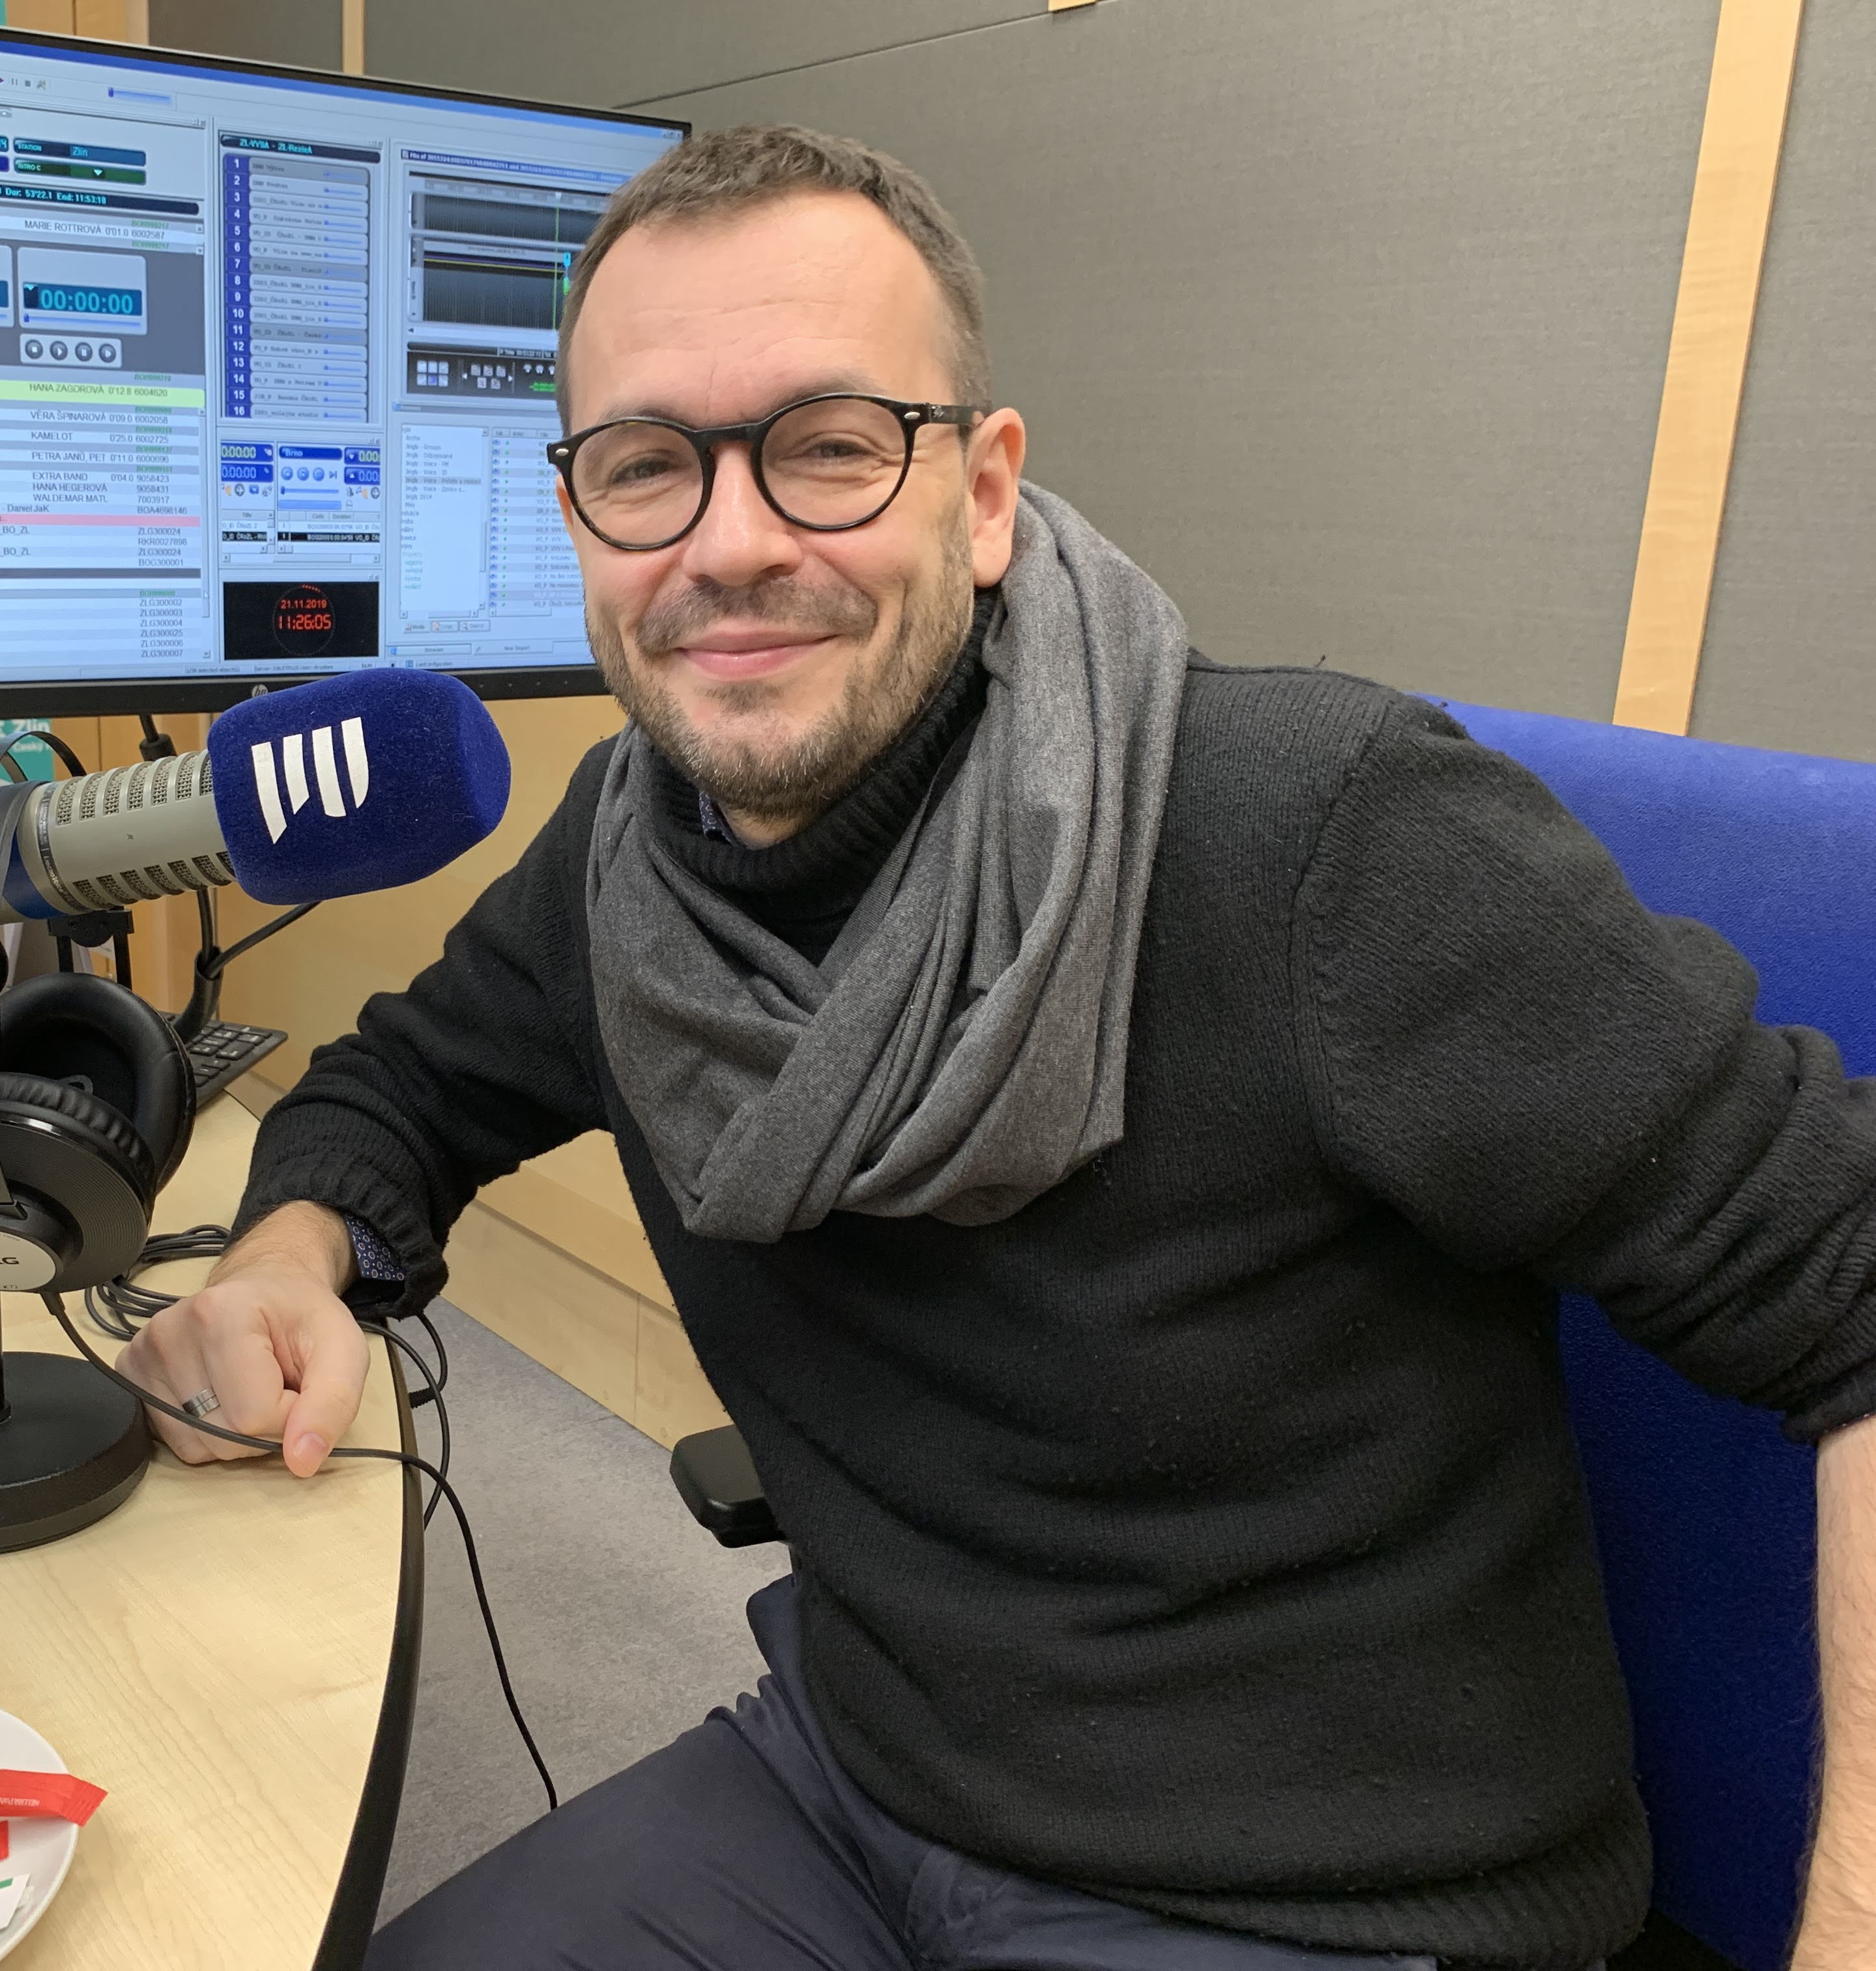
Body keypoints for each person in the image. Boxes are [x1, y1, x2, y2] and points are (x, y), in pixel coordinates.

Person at [123, 126, 1876, 1970]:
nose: (732, 543)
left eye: (828, 446)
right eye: (647, 465)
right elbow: (406, 1085)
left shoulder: (1322, 837)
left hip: (1322, 1896)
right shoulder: (629, 864)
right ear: (580, 523)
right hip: (861, 1775)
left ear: (981, 494)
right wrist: (287, 1261)